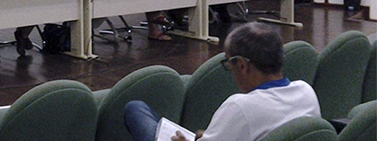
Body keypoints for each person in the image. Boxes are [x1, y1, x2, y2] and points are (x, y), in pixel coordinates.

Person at [123, 22, 321, 141]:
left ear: (242, 65)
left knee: (135, 109)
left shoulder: (241, 106)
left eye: (229, 64)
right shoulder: (307, 92)